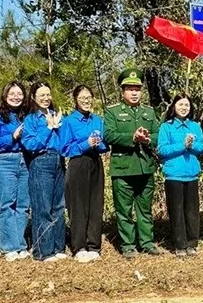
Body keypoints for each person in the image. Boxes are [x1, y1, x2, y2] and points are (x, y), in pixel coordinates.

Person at [103, 69, 161, 258]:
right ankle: (127, 245)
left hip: (145, 167)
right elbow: (108, 135)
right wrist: (132, 137)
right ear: (122, 92)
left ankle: (147, 242)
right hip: (123, 168)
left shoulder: (149, 112)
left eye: (137, 89)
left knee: (145, 209)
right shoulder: (112, 112)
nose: (134, 93)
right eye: (130, 89)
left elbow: (158, 134)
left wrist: (148, 139)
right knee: (124, 210)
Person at [60, 85, 108, 263]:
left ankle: (93, 245)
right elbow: (64, 148)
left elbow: (105, 144)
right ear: (75, 99)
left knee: (95, 203)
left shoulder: (97, 120)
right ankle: (79, 246)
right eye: (82, 98)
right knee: (78, 205)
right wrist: (85, 144)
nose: (86, 101)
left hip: (95, 161)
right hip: (78, 163)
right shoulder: (69, 121)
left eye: (89, 97)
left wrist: (99, 144)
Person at [22, 81, 67, 262]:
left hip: (59, 160)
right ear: (33, 97)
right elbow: (31, 144)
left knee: (58, 206)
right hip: (40, 161)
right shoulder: (31, 120)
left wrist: (59, 126)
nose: (46, 98)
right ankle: (43, 251)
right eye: (42, 95)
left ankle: (58, 247)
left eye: (48, 94)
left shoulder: (57, 115)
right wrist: (49, 128)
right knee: (43, 207)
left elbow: (65, 141)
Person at [157, 94, 203, 257]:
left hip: (191, 174)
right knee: (176, 211)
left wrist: (191, 145)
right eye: (180, 104)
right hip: (174, 175)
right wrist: (182, 145)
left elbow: (202, 147)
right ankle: (179, 244)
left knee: (192, 211)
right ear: (174, 107)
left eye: (187, 105)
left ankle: (192, 243)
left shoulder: (195, 126)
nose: (184, 108)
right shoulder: (166, 127)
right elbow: (162, 149)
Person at [0, 81, 31, 262]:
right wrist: (12, 137)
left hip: (25, 161)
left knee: (23, 205)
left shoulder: (27, 116)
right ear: (5, 96)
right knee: (7, 204)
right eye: (12, 94)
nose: (16, 97)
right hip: (5, 161)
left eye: (19, 94)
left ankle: (20, 244)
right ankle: (9, 246)